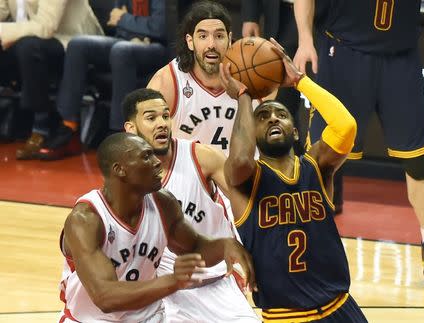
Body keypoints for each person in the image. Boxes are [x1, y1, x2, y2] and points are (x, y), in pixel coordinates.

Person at [294, 0, 424, 291]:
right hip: (343, 51)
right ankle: (310, 248)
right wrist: (304, 39)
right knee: (322, 158)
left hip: (401, 58)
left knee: (417, 160)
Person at [220, 37, 367, 322]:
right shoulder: (245, 179)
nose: (273, 119)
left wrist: (300, 81)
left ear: (295, 131)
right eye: (263, 117)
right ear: (252, 133)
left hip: (341, 308)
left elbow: (346, 127)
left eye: (281, 115)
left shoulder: (317, 167)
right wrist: (243, 98)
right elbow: (239, 160)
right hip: (286, 317)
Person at [58, 132, 255, 322]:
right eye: (146, 157)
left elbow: (195, 248)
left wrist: (225, 246)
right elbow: (105, 297)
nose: (157, 162)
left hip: (149, 317)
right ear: (120, 169)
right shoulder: (86, 219)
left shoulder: (163, 203)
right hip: (90, 319)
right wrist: (172, 281)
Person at [122, 87, 259, 322]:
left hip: (217, 284)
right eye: (151, 118)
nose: (162, 123)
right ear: (131, 128)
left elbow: (251, 204)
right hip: (166, 295)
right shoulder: (125, 175)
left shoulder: (200, 157)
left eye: (166, 115)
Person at [37, 0, 168, 160]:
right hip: (127, 40)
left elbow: (159, 28)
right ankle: (69, 127)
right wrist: (126, 21)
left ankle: (119, 135)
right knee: (78, 45)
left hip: (159, 47)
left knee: (121, 51)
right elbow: (114, 19)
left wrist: (124, 19)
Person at [147, 0, 259, 155]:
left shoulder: (254, 76)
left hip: (245, 176)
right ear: (190, 41)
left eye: (219, 36)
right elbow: (140, 141)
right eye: (203, 36)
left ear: (229, 39)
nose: (211, 44)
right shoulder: (168, 81)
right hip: (190, 177)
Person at [0, 0, 103, 159]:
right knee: (23, 46)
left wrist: (4, 30)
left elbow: (46, 26)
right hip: (32, 39)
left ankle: (40, 127)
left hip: (73, 41)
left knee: (28, 47)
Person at [241, 0, 303, 136]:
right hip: (281, 15)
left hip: (324, 19)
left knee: (322, 88)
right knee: (283, 99)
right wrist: (250, 16)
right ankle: (290, 150)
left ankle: (325, 152)